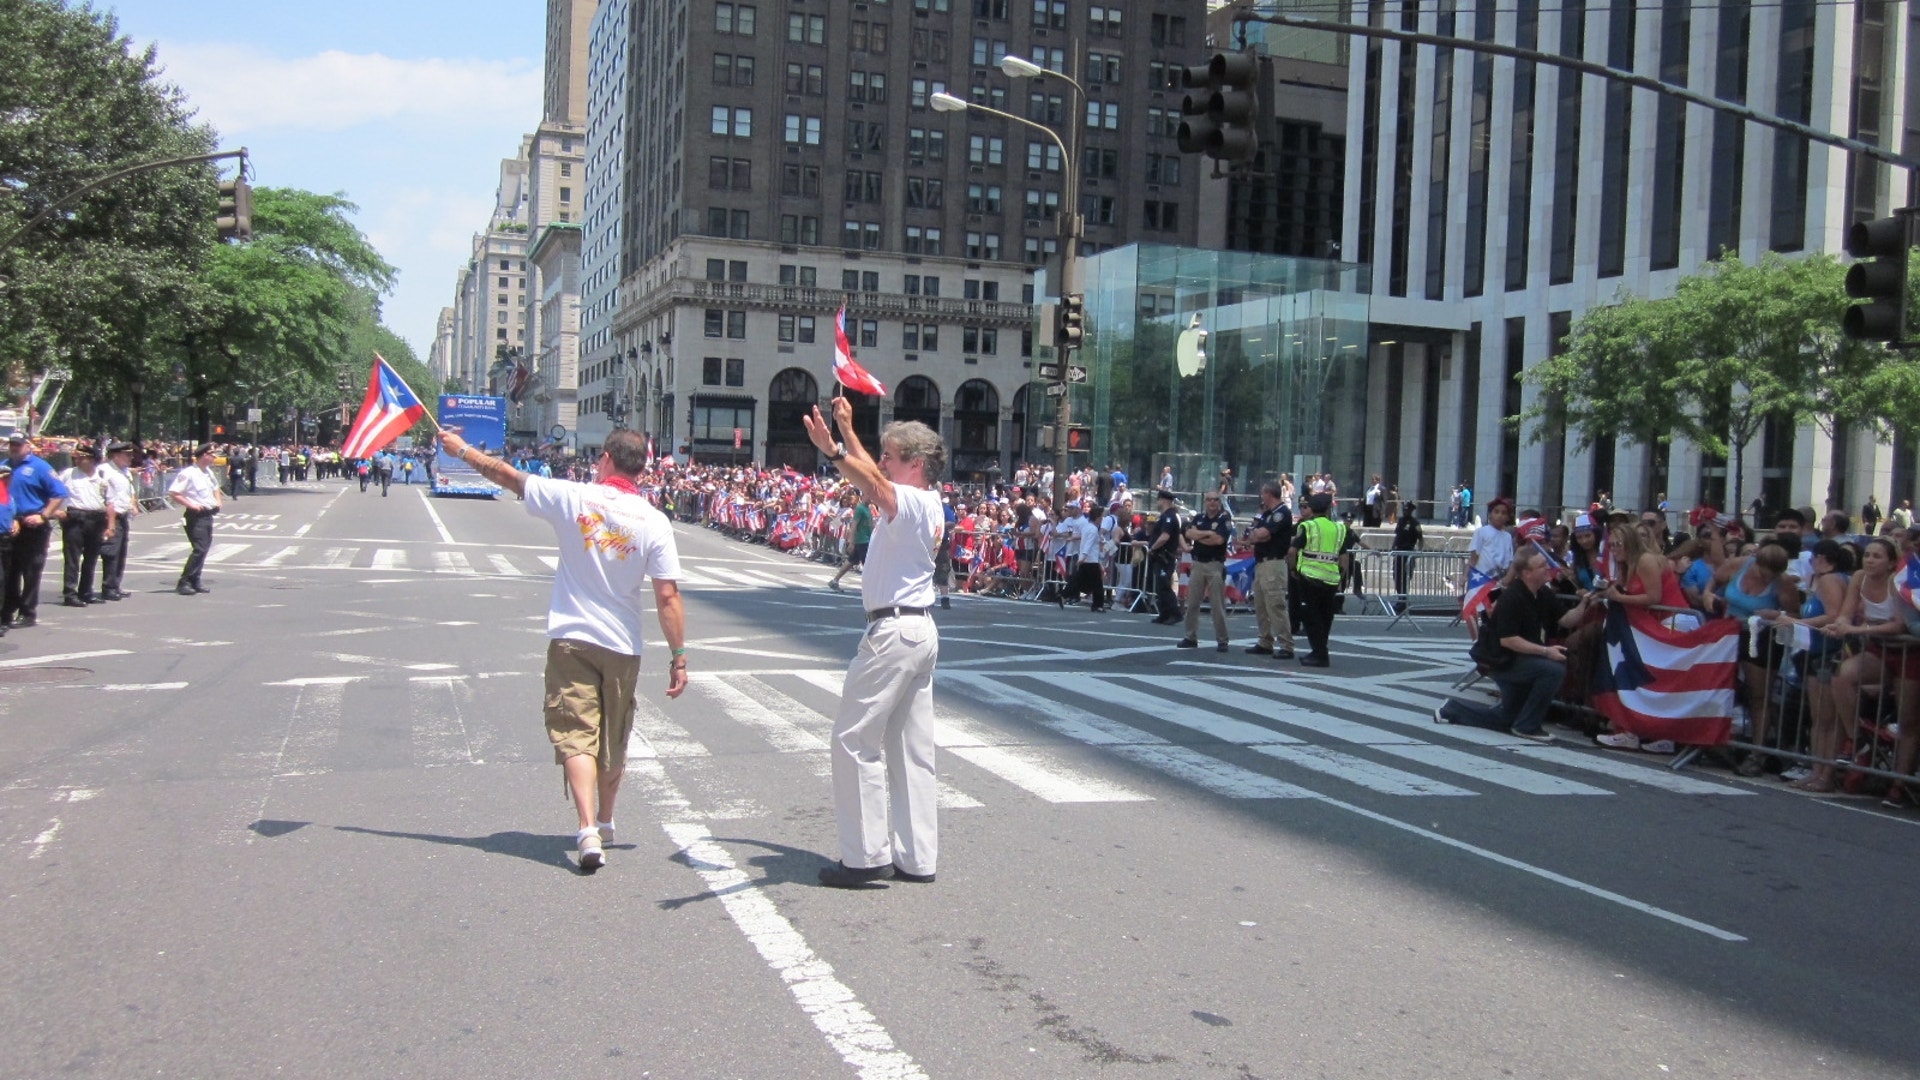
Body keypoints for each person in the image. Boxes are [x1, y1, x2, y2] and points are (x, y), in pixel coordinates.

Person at [440, 425, 687, 871]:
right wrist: (679, 656)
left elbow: (507, 476)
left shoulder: (574, 497)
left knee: (576, 734)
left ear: (608, 459)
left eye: (599, 460)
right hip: (623, 643)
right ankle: (607, 820)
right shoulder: (653, 520)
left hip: (572, 636)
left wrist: (462, 451)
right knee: (613, 737)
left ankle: (588, 828)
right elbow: (667, 595)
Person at [801, 398, 946, 888]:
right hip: (918, 629)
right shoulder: (920, 502)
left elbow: (874, 483)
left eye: (891, 454)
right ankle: (916, 857)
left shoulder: (912, 501)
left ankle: (864, 855)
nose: (882, 461)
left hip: (894, 632)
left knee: (853, 739)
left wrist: (835, 448)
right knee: (911, 750)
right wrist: (848, 431)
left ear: (917, 464)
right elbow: (877, 479)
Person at [1483, 547, 1589, 741]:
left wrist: (1585, 603)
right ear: (1527, 573)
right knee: (1552, 670)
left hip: (1523, 657)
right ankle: (1527, 725)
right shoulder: (1511, 597)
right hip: (1503, 660)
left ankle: (1451, 709)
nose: (1547, 568)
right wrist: (1546, 651)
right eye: (1541, 565)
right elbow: (1508, 640)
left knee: (1505, 717)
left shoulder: (1543, 594)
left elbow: (1565, 619)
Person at [2, 431, 68, 628]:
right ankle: (6, 611)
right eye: (12, 444)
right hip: (8, 526)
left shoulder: (40, 467)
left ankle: (27, 612)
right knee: (7, 572)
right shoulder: (4, 466)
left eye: (19, 444)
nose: (15, 447)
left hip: (33, 525)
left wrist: (44, 515)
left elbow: (59, 493)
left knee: (31, 570)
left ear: (28, 446)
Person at [1290, 492, 1349, 667]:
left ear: (1312, 509)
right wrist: (1341, 576)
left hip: (1309, 577)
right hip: (1331, 578)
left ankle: (1319, 653)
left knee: (1310, 616)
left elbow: (1292, 551)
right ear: (1329, 508)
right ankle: (1321, 650)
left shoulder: (1308, 527)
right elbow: (1344, 557)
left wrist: (1293, 569)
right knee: (1325, 616)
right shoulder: (1339, 529)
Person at [56, 445, 114, 607]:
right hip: (75, 518)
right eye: (77, 457)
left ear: (92, 459)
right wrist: (58, 511)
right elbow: (55, 492)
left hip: (96, 518)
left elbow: (110, 502)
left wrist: (111, 525)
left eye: (83, 457)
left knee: (91, 557)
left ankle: (86, 591)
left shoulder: (102, 476)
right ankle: (70, 593)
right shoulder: (69, 474)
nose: (79, 459)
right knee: (72, 558)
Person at [1245, 481, 1295, 659]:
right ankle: (1265, 641)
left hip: (1274, 563)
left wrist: (1257, 536)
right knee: (1261, 605)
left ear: (1269, 494)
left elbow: (1261, 534)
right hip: (1261, 562)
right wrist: (1257, 536)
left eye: (1262, 494)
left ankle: (1286, 644)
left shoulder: (1281, 513)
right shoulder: (1267, 514)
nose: (1261, 497)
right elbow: (1252, 535)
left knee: (1275, 604)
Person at [1178, 493, 1233, 651]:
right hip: (1198, 564)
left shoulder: (1224, 518)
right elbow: (1188, 534)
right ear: (1205, 502)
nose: (1212, 503)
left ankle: (1222, 640)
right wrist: (1208, 533)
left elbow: (1219, 540)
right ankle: (1190, 636)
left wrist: (1200, 535)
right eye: (1209, 499)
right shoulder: (1199, 518)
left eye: (1215, 499)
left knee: (1217, 605)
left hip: (1215, 564)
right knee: (1192, 602)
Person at [166, 445, 224, 596]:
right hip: (195, 515)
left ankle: (195, 579)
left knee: (204, 549)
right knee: (199, 549)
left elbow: (215, 488)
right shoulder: (189, 473)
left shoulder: (208, 472)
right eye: (212, 454)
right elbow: (174, 492)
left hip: (207, 514)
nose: (214, 457)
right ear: (203, 455)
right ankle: (184, 581)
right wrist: (192, 505)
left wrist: (218, 501)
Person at [97, 442, 138, 601]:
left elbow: (130, 491)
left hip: (123, 515)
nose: (130, 458)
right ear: (115, 455)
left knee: (121, 553)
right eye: (127, 455)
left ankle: (115, 584)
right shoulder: (104, 471)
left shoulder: (125, 471)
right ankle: (108, 587)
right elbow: (103, 494)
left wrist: (133, 504)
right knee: (111, 552)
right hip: (110, 516)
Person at [1147, 488, 1186, 624]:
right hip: (1160, 556)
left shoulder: (1170, 516)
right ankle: (1164, 613)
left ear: (1163, 500)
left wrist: (1152, 547)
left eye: (1159, 499)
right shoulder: (1166, 516)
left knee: (1164, 585)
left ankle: (1175, 613)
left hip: (1165, 555)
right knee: (1159, 586)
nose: (1157, 502)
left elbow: (1165, 536)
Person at [828, 493, 873, 592]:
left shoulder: (868, 508)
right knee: (868, 564)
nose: (871, 497)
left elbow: (870, 524)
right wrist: (851, 542)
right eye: (869, 495)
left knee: (851, 561)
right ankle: (870, 587)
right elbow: (854, 525)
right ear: (863, 496)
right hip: (862, 540)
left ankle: (835, 581)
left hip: (867, 539)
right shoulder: (860, 508)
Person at [1391, 500, 1423, 598]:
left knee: (1406, 576)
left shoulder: (1415, 523)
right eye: (1404, 510)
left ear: (1411, 511)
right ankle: (1400, 595)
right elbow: (1397, 535)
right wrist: (1393, 546)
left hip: (1408, 552)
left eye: (1407, 510)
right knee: (1396, 575)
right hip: (1398, 552)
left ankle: (1404, 598)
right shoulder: (1400, 520)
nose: (1405, 512)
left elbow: (1420, 538)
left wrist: (1419, 551)